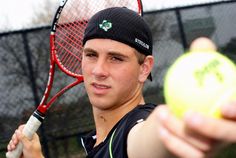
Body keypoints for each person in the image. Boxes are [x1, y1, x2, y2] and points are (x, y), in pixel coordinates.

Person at [7, 7, 236, 158]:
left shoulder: (134, 130)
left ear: (144, 68)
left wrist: (173, 131)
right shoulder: (97, 141)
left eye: (116, 58)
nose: (98, 70)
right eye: (91, 55)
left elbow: (147, 140)